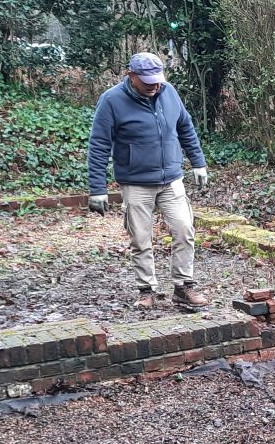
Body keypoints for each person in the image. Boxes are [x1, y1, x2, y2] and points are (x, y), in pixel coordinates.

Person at [86, 52, 210, 309]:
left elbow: (185, 127)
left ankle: (183, 286)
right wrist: (98, 189)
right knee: (141, 238)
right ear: (131, 76)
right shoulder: (111, 101)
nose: (154, 86)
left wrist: (198, 163)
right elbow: (99, 145)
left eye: (157, 80)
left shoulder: (169, 92)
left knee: (184, 230)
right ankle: (146, 290)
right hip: (136, 182)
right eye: (147, 81)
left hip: (171, 179)